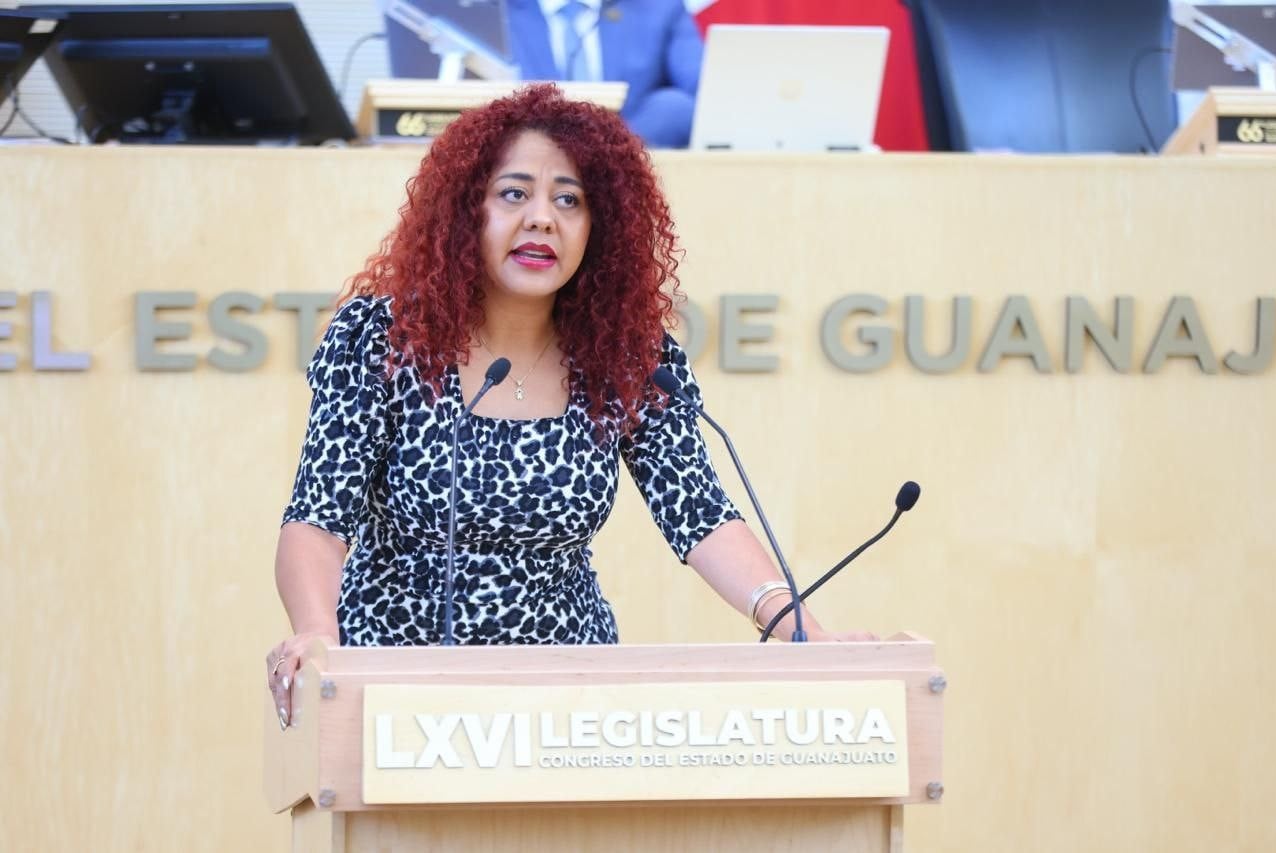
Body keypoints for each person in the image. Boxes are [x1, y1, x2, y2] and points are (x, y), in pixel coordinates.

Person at [265, 84, 873, 728]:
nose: (542, 219)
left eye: (569, 200)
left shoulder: (629, 358)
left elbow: (700, 516)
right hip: (397, 696)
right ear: (465, 211)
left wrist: (802, 630)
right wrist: (317, 633)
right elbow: (317, 518)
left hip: (571, 704)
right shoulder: (382, 339)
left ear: (599, 228)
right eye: (513, 193)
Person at [505, 0, 703, 147]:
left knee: (673, 104)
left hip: (629, 159)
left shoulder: (660, 7)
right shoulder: (496, 11)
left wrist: (615, 150)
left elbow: (703, 92)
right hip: (529, 158)